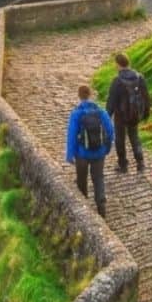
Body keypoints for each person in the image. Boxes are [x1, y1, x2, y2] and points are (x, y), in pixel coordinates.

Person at [65, 83, 115, 216]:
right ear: (90, 94)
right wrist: (107, 148)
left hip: (82, 154)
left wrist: (70, 155)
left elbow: (71, 135)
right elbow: (110, 131)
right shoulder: (101, 111)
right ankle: (101, 207)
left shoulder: (76, 113)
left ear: (79, 96)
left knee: (82, 179)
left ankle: (84, 208)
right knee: (98, 178)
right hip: (99, 152)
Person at [105, 52, 152, 172]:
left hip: (120, 115)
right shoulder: (139, 77)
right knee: (134, 137)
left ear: (117, 64)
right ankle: (140, 163)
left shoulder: (117, 81)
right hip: (135, 113)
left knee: (120, 139)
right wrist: (146, 112)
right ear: (128, 62)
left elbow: (111, 101)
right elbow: (145, 96)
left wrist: (106, 117)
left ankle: (123, 165)